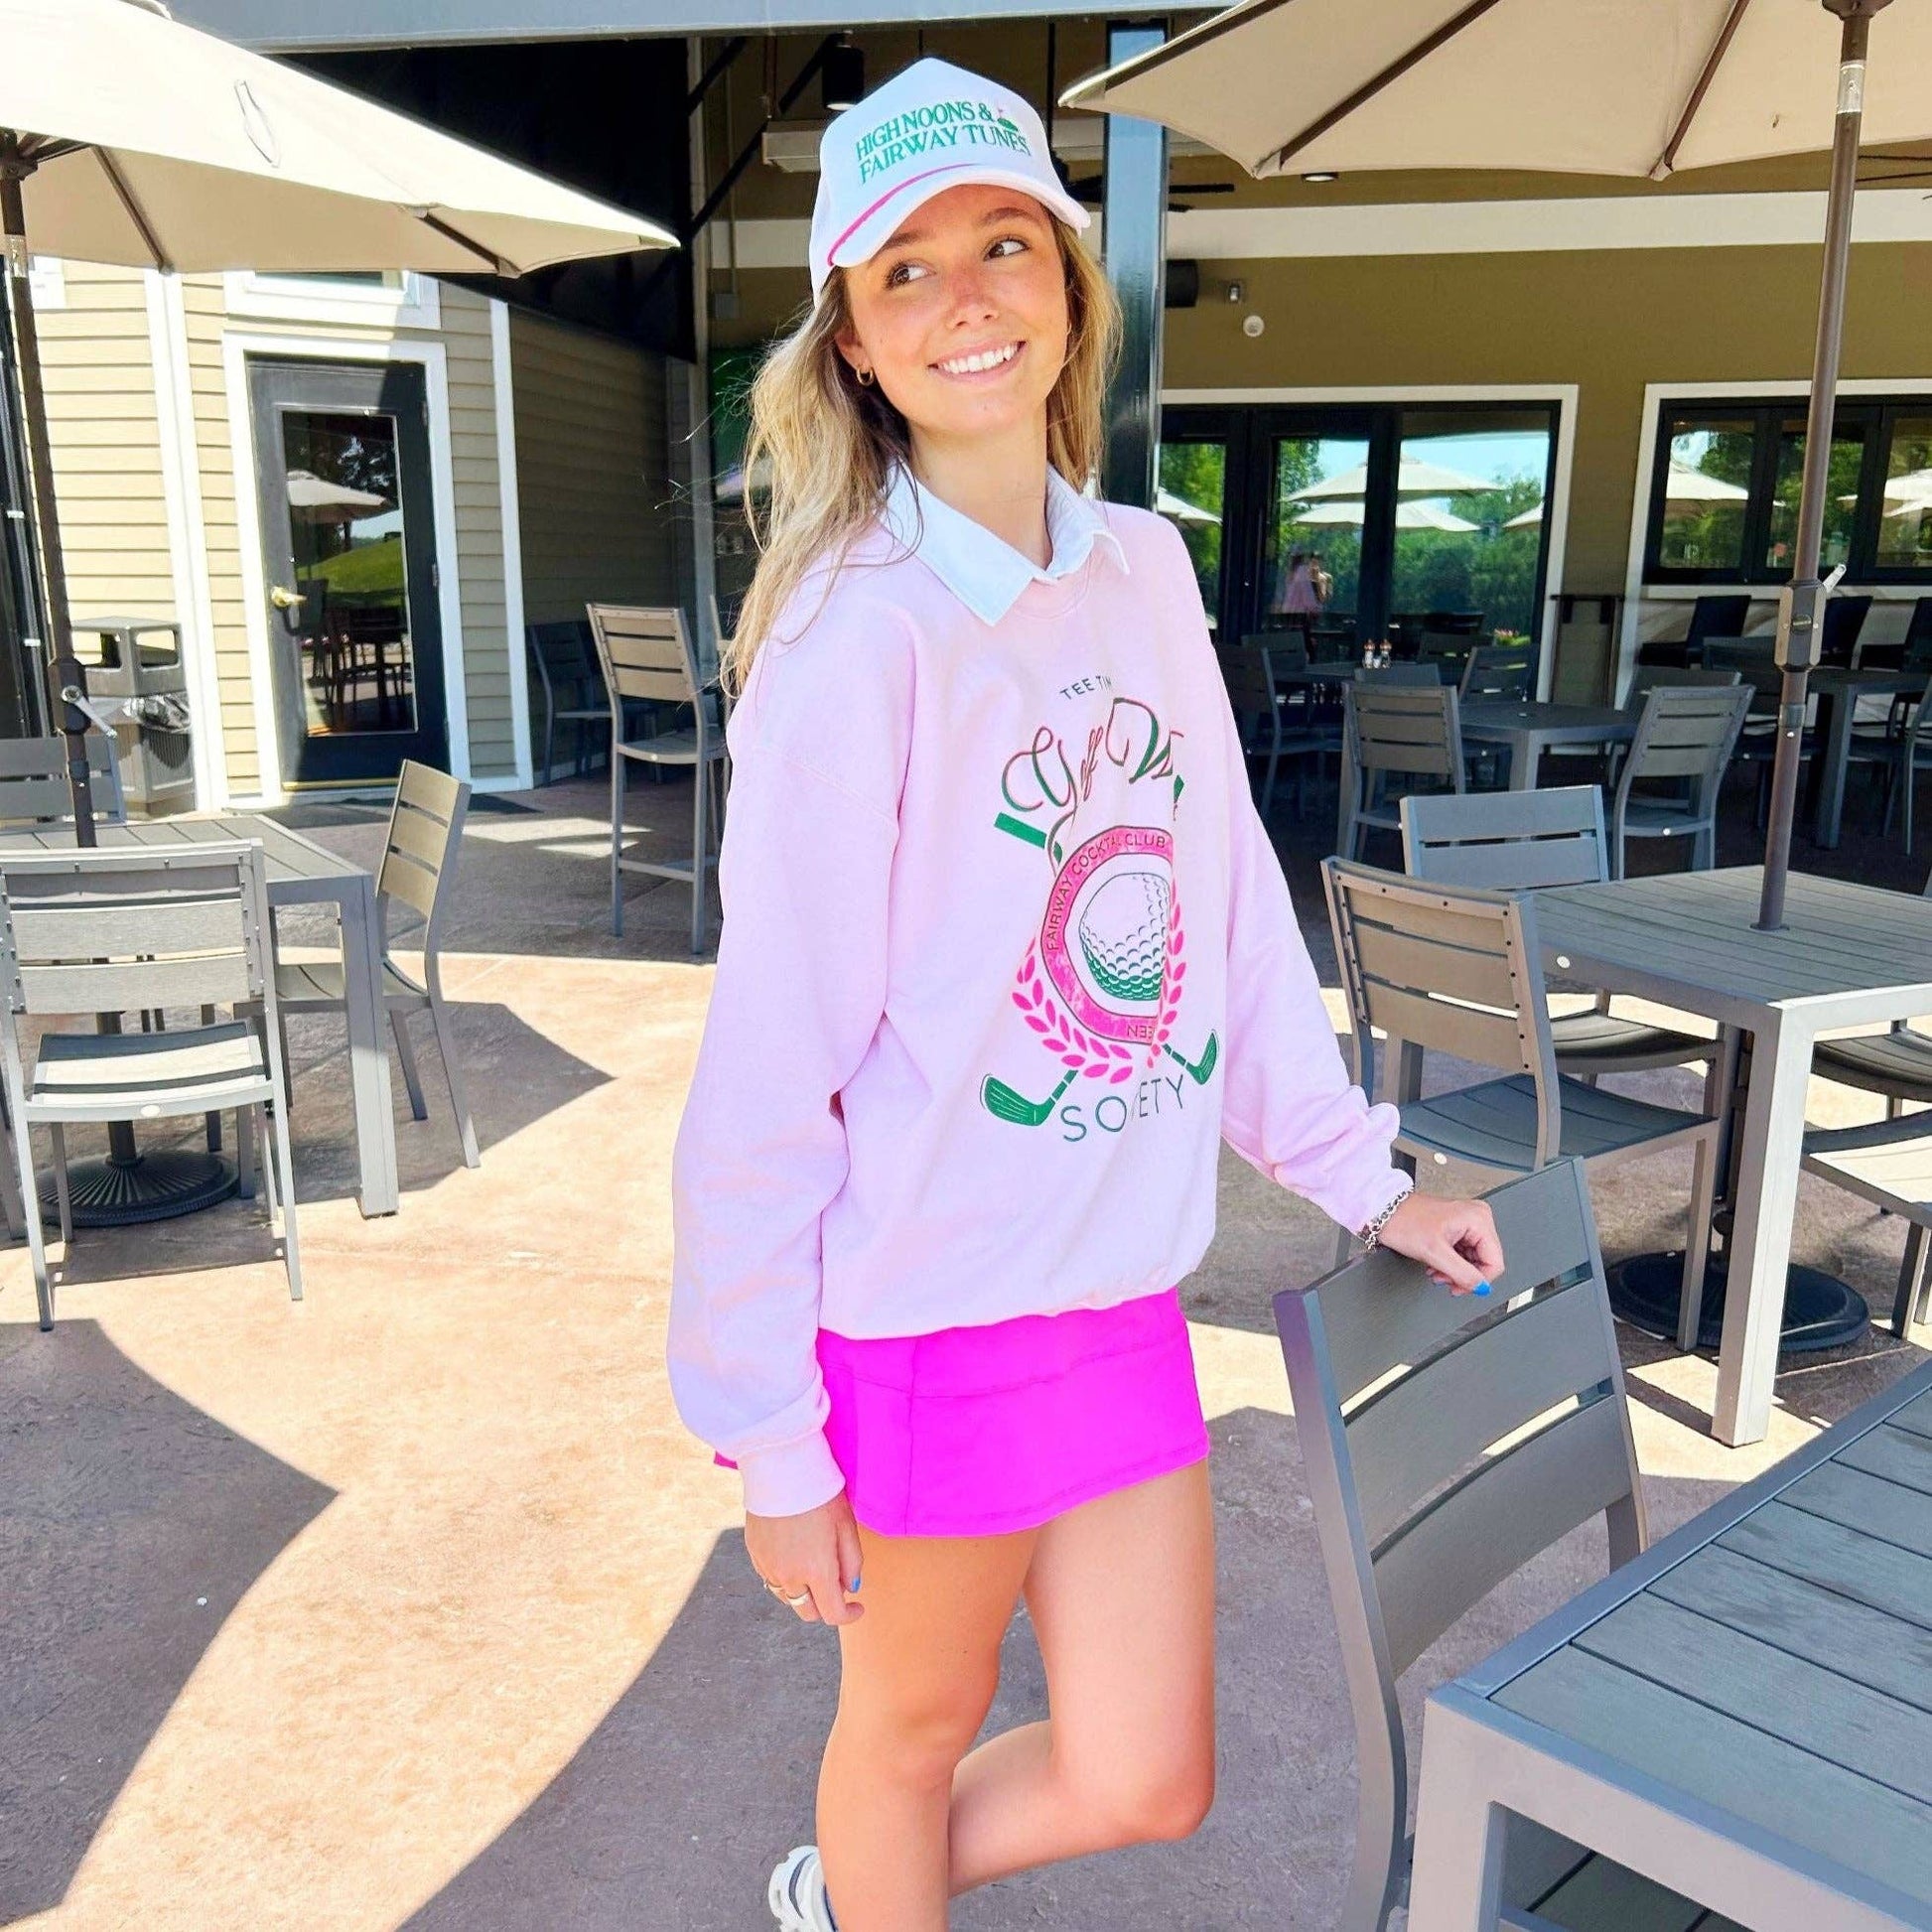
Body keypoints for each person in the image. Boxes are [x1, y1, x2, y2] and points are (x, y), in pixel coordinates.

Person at [668, 56, 1503, 1932]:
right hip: (925, 1319)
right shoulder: (850, 634)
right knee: (908, 1734)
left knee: (1146, 1772)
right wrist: (768, 1435)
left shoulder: (1144, 566)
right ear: (853, 342)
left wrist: (1364, 1175)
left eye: (1004, 244)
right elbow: (767, 1068)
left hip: (1113, 1298)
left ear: (1064, 288)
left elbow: (1225, 908)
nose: (963, 297)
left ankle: (841, 1893)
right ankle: (867, 1886)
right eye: (904, 269)